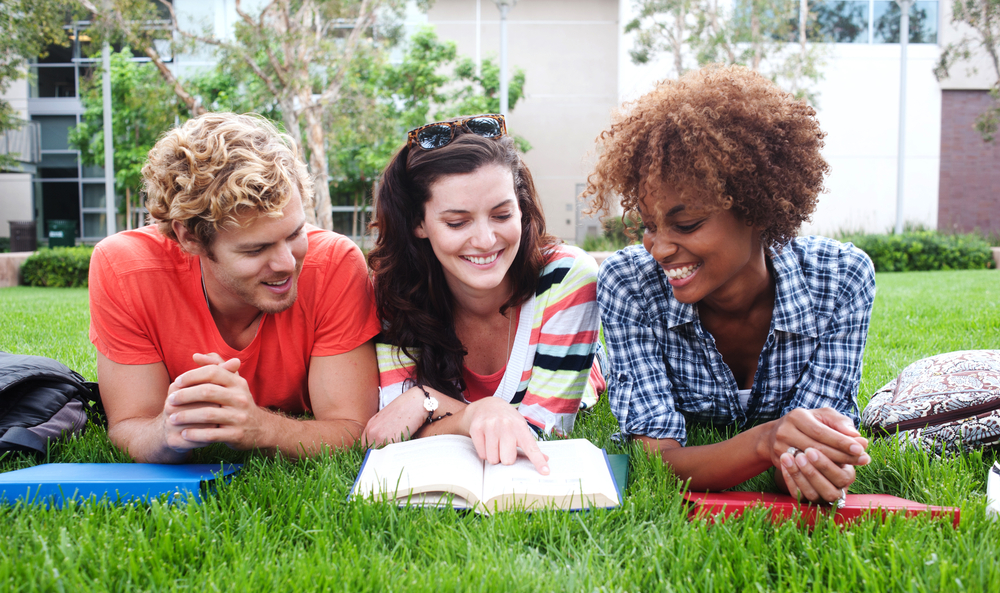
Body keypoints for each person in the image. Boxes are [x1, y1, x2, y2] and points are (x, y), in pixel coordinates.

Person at [585, 65, 876, 503]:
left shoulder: (839, 279)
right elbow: (655, 458)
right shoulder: (630, 283)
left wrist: (809, 463)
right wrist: (767, 442)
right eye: (648, 225)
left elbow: (814, 446)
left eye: (686, 223)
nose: (659, 248)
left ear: (757, 211)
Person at [89, 113, 381, 463]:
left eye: (294, 234)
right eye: (255, 249)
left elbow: (352, 428)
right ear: (190, 237)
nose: (287, 263)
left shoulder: (335, 263)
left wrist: (263, 429)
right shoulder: (124, 268)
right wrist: (167, 430)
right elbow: (129, 424)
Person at [362, 114, 604, 475]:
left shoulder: (568, 278)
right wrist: (474, 414)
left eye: (502, 214)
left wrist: (428, 404)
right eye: (457, 222)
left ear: (521, 209)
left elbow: (542, 432)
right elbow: (393, 427)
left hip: (581, 365)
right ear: (418, 223)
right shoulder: (395, 289)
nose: (486, 240)